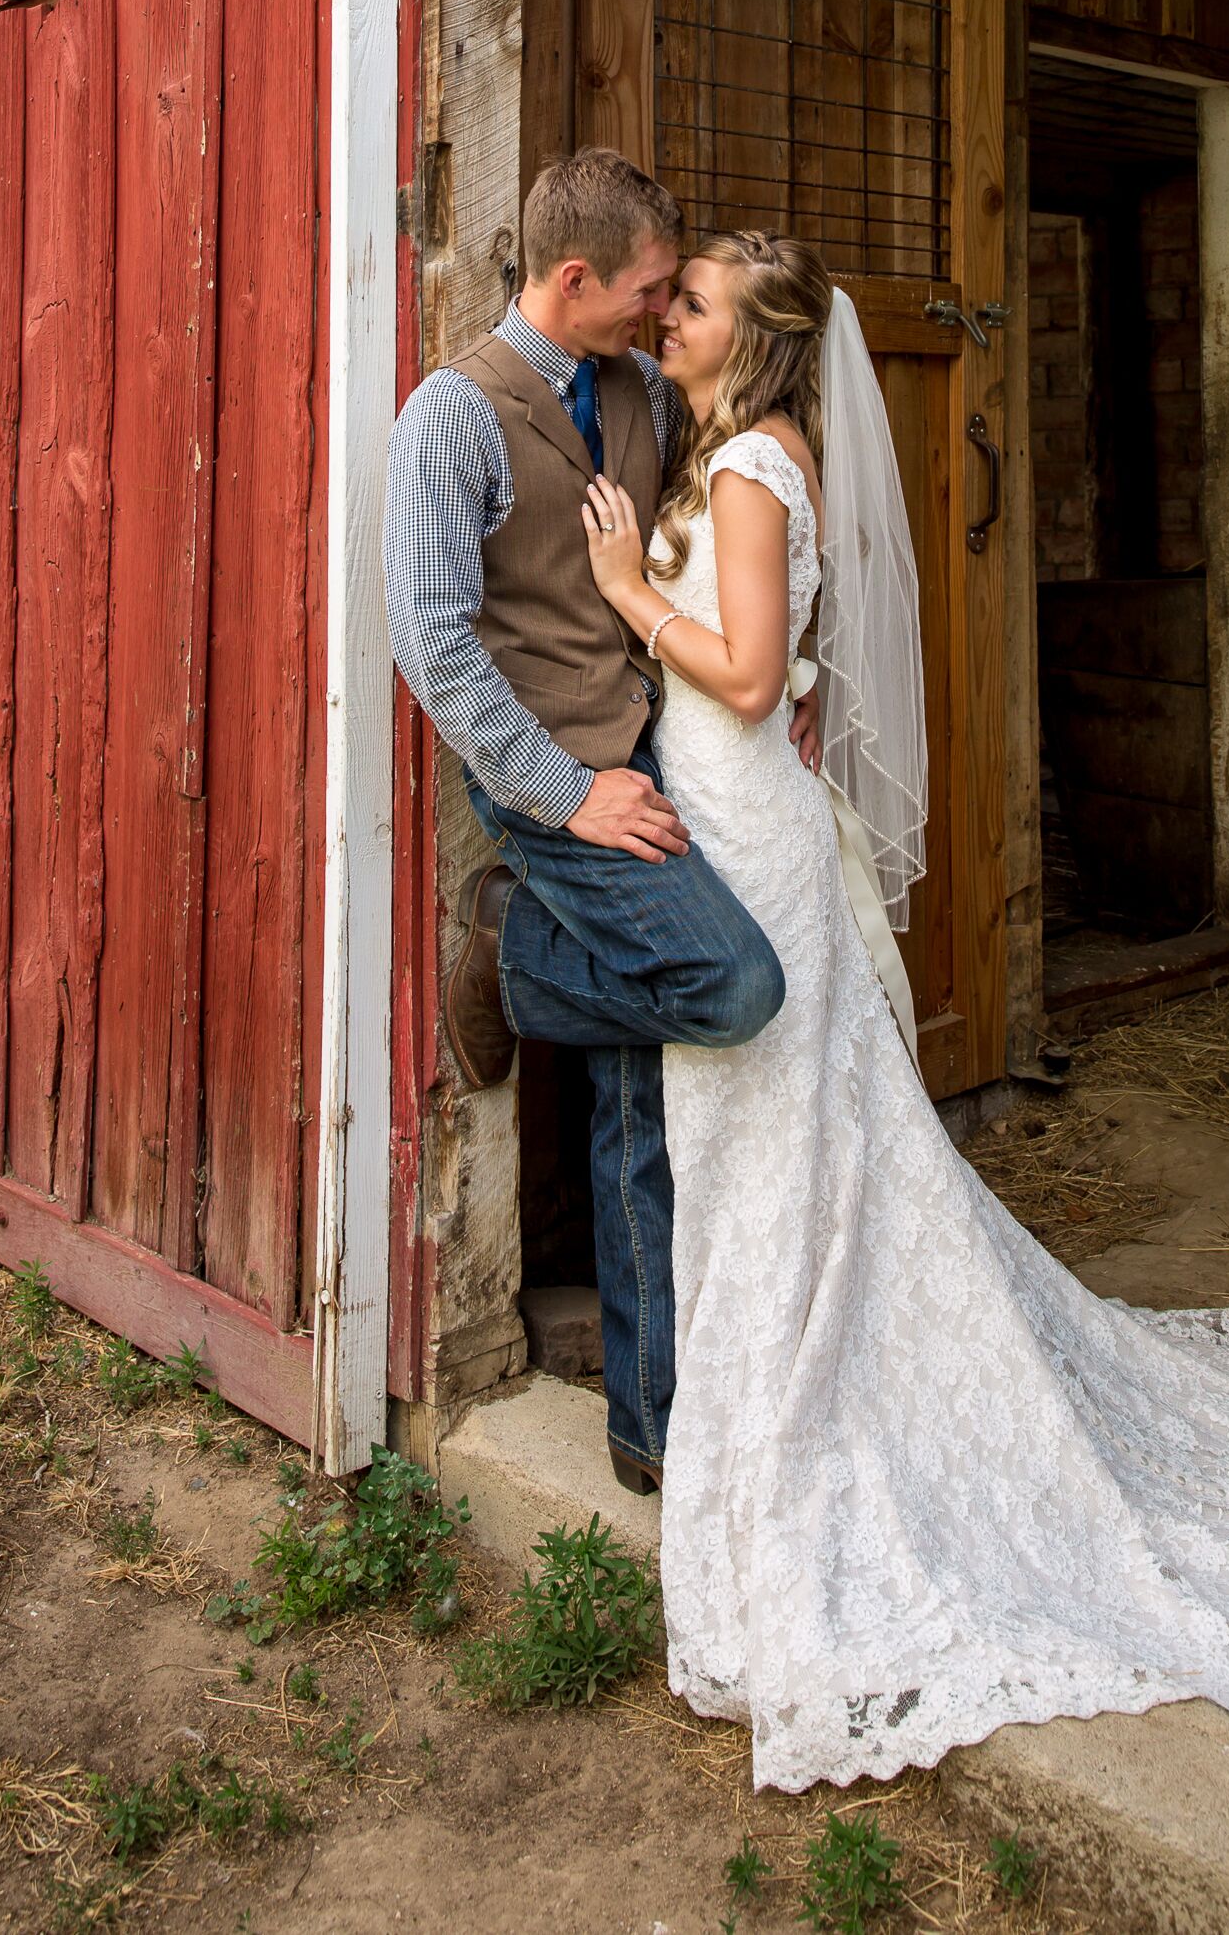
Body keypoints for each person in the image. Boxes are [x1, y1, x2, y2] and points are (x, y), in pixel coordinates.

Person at [577, 226, 1229, 1796]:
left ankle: (801, 1433)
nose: (667, 313)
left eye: (693, 303)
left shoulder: (749, 473)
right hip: (747, 824)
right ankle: (779, 1409)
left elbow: (747, 680)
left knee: (779, 1155)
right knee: (783, 1151)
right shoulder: (756, 450)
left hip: (741, 833)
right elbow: (793, 678)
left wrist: (624, 590)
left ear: (754, 341)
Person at [383, 150, 817, 1499]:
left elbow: (732, 543)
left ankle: (649, 1423)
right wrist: (570, 797)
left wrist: (787, 686)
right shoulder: (450, 421)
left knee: (638, 1092)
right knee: (731, 984)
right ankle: (514, 939)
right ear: (574, 279)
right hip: (559, 781)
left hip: (664, 759)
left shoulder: (637, 390)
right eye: (641, 289)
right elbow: (435, 653)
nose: (653, 308)